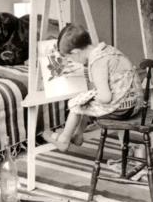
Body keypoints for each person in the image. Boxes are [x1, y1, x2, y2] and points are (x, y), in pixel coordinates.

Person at [42, 24, 143, 152]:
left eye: (69, 58)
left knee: (77, 104)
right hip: (136, 103)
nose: (70, 61)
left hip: (123, 109)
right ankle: (78, 134)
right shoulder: (107, 50)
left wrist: (90, 97)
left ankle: (64, 139)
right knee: (88, 100)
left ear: (76, 53)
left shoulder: (97, 63)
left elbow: (106, 98)